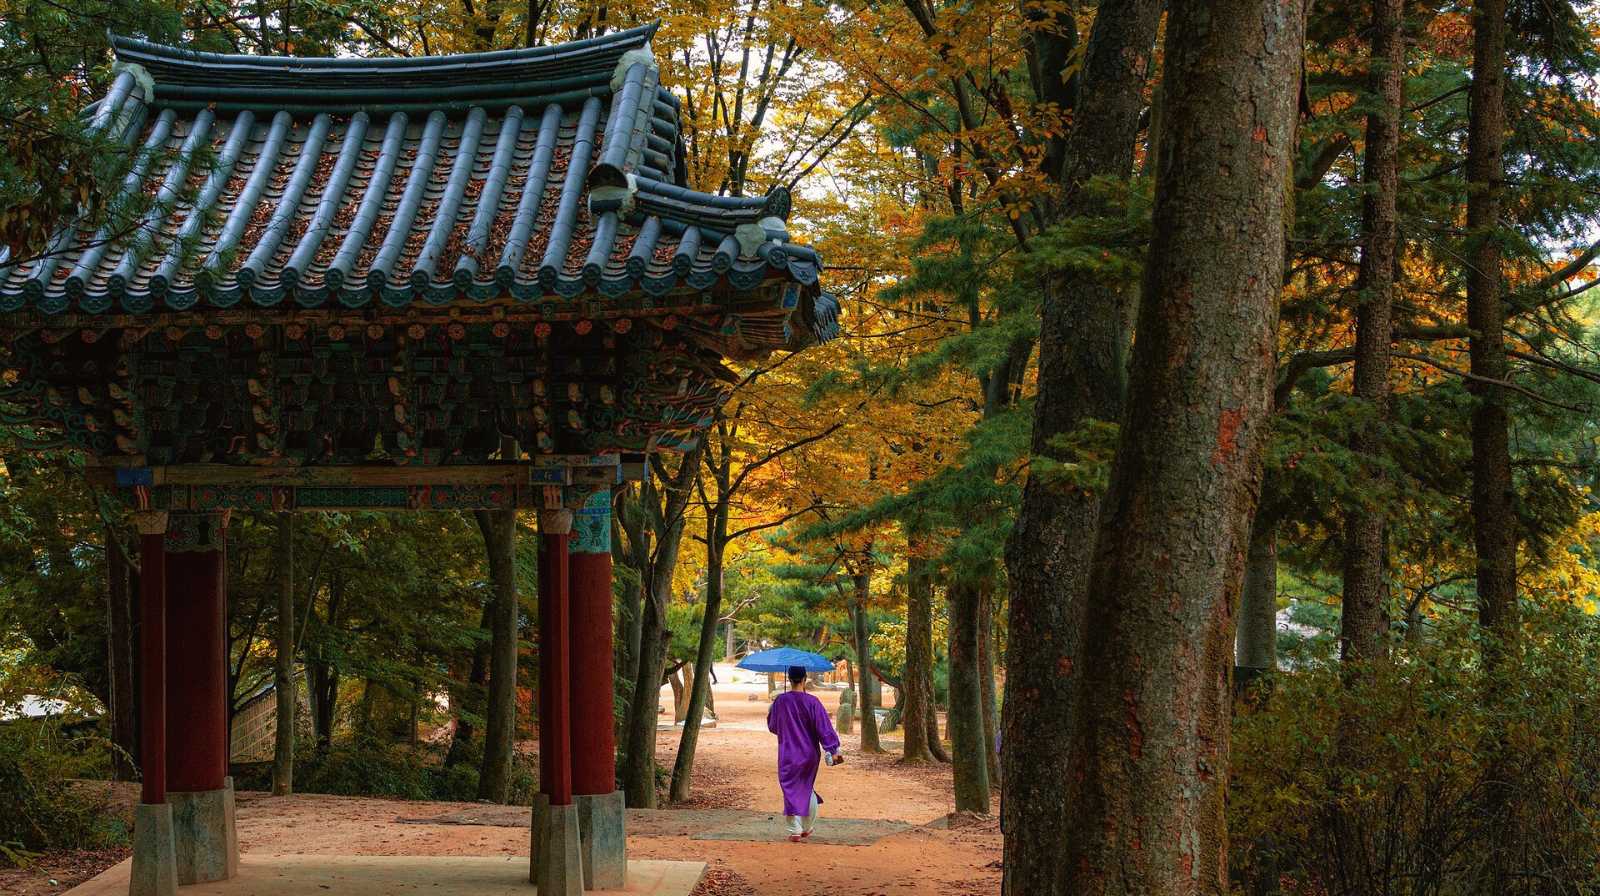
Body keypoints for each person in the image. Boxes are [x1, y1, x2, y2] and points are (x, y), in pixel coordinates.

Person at [766, 664, 843, 842]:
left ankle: (795, 828)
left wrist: (774, 711)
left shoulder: (781, 701)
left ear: (789, 679)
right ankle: (807, 827)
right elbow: (824, 728)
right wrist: (832, 749)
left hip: (788, 753)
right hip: (809, 754)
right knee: (806, 787)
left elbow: (773, 726)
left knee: (790, 789)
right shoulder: (813, 702)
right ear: (804, 679)